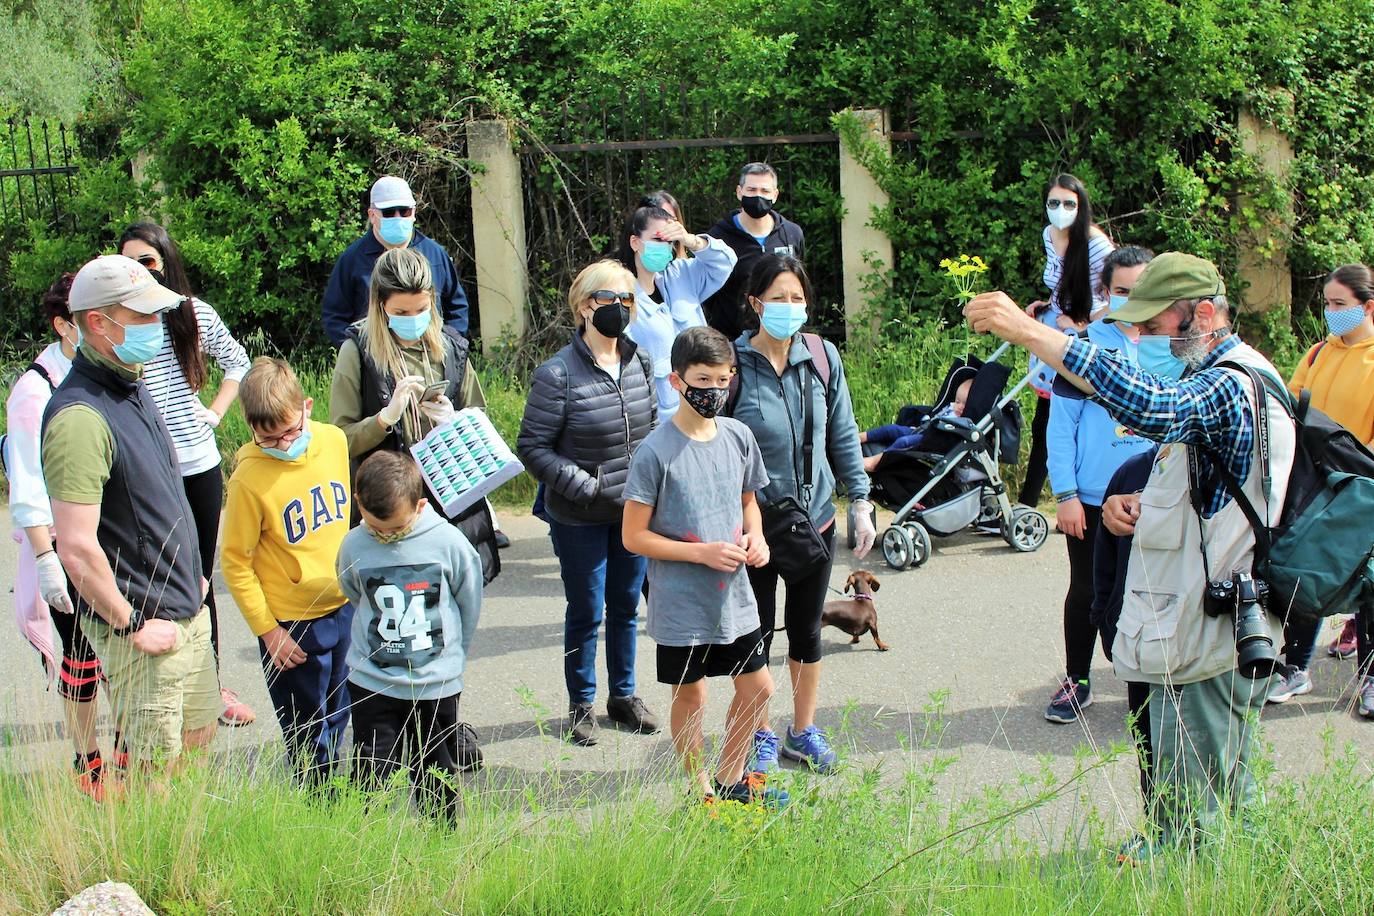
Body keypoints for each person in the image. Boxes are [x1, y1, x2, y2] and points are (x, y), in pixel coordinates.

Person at [965, 252, 1297, 857]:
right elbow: (1209, 486)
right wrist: (1141, 502)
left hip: (1212, 621)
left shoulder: (1231, 380)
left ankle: (1191, 873)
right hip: (1212, 609)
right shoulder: (1223, 371)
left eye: (1156, 323)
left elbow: (1151, 406)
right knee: (1220, 769)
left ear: (1202, 313)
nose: (1144, 337)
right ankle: (1235, 867)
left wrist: (1029, 332)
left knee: (1195, 771)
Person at [44, 255, 218, 772]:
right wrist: (131, 623)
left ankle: (186, 854)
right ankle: (149, 856)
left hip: (184, 607)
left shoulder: (130, 382)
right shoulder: (79, 416)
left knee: (198, 735)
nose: (156, 327)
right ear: (97, 323)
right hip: (146, 626)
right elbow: (75, 546)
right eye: (142, 317)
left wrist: (195, 579)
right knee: (153, 768)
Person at [621, 326, 785, 807]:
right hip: (681, 604)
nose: (714, 389)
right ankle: (701, 791)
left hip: (735, 598)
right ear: (676, 381)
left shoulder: (738, 436)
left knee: (758, 690)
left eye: (723, 378)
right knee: (691, 698)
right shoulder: (655, 451)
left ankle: (730, 776)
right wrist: (702, 552)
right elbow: (634, 537)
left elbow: (749, 504)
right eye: (703, 379)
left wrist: (756, 537)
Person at [729, 254, 875, 774]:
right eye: (778, 298)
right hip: (757, 528)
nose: (789, 307)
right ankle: (762, 732)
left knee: (808, 629)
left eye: (797, 298)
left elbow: (841, 433)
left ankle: (802, 729)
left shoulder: (822, 356)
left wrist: (860, 500)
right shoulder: (732, 367)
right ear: (754, 303)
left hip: (815, 522)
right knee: (758, 633)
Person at [117, 222, 256, 727]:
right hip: (145, 470)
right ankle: (154, 684)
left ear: (166, 264)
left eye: (148, 261)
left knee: (197, 576)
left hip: (197, 465)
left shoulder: (193, 315)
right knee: (150, 574)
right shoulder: (119, 322)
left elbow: (237, 362)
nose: (139, 270)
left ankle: (209, 683)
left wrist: (215, 412)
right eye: (129, 262)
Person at [517, 259, 660, 746]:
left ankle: (623, 696)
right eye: (608, 300)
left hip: (633, 515)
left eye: (627, 300)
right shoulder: (556, 373)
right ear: (583, 308)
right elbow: (533, 447)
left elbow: (654, 432)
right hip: (579, 515)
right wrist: (587, 486)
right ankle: (581, 704)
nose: (619, 308)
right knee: (586, 609)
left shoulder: (640, 362)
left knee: (626, 606)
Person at [330, 246, 503, 579]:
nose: (412, 321)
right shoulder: (357, 352)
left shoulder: (451, 347)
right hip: (389, 507)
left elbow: (479, 420)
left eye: (421, 309)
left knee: (454, 604)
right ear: (381, 306)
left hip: (449, 501)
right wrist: (383, 420)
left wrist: (455, 422)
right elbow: (340, 440)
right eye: (401, 312)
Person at [4, 272, 112, 798]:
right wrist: (47, 557)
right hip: (66, 547)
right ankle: (88, 756)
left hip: (111, 538)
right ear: (62, 326)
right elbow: (25, 482)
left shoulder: (104, 373)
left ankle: (130, 747)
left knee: (122, 645)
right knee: (81, 656)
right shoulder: (35, 391)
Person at [221, 358, 353, 783]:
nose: (281, 444)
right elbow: (236, 562)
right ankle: (317, 809)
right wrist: (268, 631)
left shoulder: (334, 442)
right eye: (268, 438)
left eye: (290, 432)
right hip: (293, 625)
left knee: (339, 712)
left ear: (307, 407)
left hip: (344, 603)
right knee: (306, 733)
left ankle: (335, 803)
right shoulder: (248, 480)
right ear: (251, 428)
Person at [1042, 247, 1155, 723]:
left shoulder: (1170, 344)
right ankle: (1078, 678)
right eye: (1122, 290)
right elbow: (1059, 426)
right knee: (1087, 589)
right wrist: (1065, 495)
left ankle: (1151, 679)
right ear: (1105, 293)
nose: (1131, 300)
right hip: (1090, 499)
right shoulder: (1083, 348)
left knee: (1154, 590)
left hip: (1157, 497)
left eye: (1141, 290)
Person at [340, 451, 484, 820]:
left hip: (434, 684)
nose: (385, 536)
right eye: (376, 528)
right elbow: (354, 592)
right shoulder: (354, 545)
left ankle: (440, 846)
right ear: (358, 503)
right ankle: (364, 847)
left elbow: (469, 601)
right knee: (369, 776)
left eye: (397, 529)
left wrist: (452, 659)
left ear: (420, 505)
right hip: (374, 683)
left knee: (436, 776)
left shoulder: (448, 542)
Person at [1271, 263, 1374, 713]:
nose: (1332, 312)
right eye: (1327, 304)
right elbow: (1293, 405)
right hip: (1313, 487)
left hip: (1360, 489)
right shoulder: (1317, 353)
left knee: (1368, 585)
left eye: (1341, 305)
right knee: (1304, 574)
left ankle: (1370, 678)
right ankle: (1296, 667)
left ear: (1367, 306)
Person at [1019, 174, 1115, 508]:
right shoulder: (1049, 235)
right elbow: (1060, 283)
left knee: (1068, 417)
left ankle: (1063, 500)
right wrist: (1046, 302)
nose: (1061, 210)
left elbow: (1120, 300)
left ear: (1081, 206)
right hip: (1055, 332)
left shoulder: (1097, 246)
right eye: (1054, 203)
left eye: (1069, 204)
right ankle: (1030, 502)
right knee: (1045, 418)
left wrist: (1084, 321)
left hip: (1086, 340)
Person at [322, 175, 470, 347]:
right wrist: (359, 352)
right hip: (374, 361)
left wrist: (449, 348)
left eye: (405, 211)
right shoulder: (352, 260)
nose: (398, 217)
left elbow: (457, 307)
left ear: (414, 212)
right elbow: (334, 317)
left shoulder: (435, 255)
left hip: (430, 358)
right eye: (389, 212)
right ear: (372, 215)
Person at [619, 203, 737, 419]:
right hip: (658, 418)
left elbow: (725, 262)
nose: (664, 247)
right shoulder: (622, 294)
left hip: (704, 408)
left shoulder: (681, 275)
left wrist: (691, 240)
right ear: (635, 242)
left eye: (669, 241)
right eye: (657, 240)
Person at [702, 163, 806, 340]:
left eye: (765, 191)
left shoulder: (792, 234)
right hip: (732, 342)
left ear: (775, 195)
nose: (758, 196)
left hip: (779, 336)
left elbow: (798, 282)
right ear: (739, 192)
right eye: (751, 189)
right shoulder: (718, 238)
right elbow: (708, 293)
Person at [859, 377, 973, 471]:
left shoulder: (963, 422)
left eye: (965, 404)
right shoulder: (951, 408)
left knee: (904, 442)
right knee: (892, 429)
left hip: (930, 440)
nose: (959, 406)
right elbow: (935, 415)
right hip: (922, 429)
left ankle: (877, 462)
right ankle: (860, 437)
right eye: (958, 401)